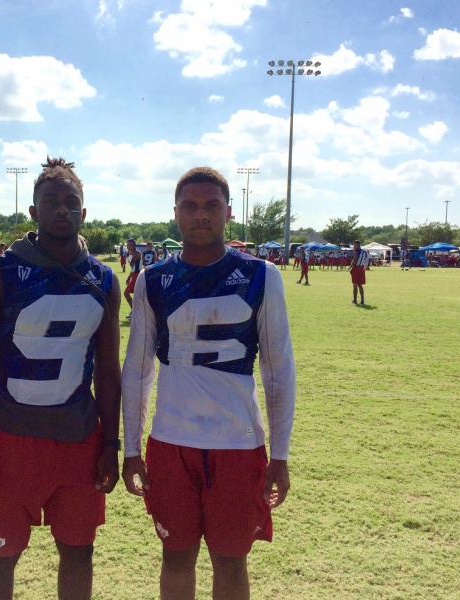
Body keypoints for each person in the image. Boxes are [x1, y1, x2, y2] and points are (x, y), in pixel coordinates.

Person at [122, 167, 295, 600]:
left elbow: (278, 369)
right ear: (175, 214)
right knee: (175, 557)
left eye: (211, 205)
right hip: (170, 442)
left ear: (228, 212)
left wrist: (282, 453)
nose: (201, 215)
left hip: (237, 443)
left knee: (231, 561)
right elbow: (138, 369)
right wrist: (130, 448)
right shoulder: (153, 280)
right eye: (191, 206)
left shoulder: (262, 275)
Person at [0, 157, 122, 600]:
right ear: (33, 212)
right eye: (50, 202)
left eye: (72, 202)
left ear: (84, 212)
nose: (62, 210)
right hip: (14, 440)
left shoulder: (103, 279)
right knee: (0, 554)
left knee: (78, 553)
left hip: (79, 438)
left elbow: (108, 372)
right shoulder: (0, 274)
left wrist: (112, 444)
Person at [123, 239, 141, 319]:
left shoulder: (136, 253)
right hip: (134, 275)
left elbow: (131, 264)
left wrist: (127, 257)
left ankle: (134, 311)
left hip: (137, 275)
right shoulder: (134, 253)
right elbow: (133, 268)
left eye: (128, 245)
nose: (127, 247)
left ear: (133, 245)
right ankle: (134, 311)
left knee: (126, 293)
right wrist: (129, 277)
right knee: (135, 295)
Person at [349, 240, 368, 305]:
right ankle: (362, 298)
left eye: (354, 245)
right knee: (360, 285)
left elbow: (354, 260)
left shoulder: (356, 252)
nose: (354, 247)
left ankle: (355, 300)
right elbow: (365, 260)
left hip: (356, 268)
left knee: (355, 284)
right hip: (361, 268)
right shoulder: (364, 252)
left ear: (357, 245)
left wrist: (350, 267)